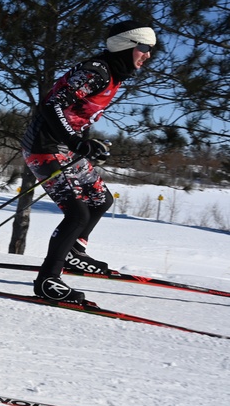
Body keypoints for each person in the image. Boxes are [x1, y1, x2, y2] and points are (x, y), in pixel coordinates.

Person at [20, 20, 156, 302]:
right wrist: (77, 142)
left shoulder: (113, 74)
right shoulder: (96, 72)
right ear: (126, 45)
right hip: (43, 147)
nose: (147, 55)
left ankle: (73, 252)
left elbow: (76, 115)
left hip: (64, 147)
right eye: (144, 47)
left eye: (150, 49)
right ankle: (48, 280)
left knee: (101, 198)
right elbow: (51, 104)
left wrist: (86, 143)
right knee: (77, 213)